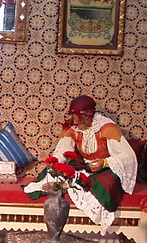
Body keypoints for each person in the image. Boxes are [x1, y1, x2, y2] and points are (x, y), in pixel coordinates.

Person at [24, 95, 138, 233]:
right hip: (84, 165)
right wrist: (56, 163)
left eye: (76, 117)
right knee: (55, 171)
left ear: (87, 115)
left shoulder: (107, 128)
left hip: (104, 169)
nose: (74, 121)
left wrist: (105, 162)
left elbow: (128, 156)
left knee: (103, 182)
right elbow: (63, 150)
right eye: (73, 117)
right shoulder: (73, 127)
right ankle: (63, 184)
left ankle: (66, 186)